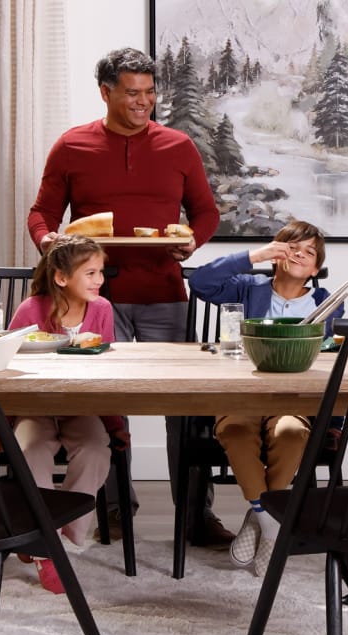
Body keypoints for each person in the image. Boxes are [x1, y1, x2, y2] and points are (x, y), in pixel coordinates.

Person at [25, 47, 231, 548]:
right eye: (132, 93)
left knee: (186, 405)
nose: (144, 102)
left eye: (150, 92)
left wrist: (192, 241)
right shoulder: (71, 146)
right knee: (102, 402)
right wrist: (48, 243)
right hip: (97, 298)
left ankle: (195, 516)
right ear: (106, 93)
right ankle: (115, 510)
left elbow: (206, 213)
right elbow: (41, 214)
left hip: (164, 291)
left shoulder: (178, 146)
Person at [185, 221, 345, 575]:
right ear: (277, 253)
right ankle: (272, 523)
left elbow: (332, 359)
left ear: (315, 268)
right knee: (236, 430)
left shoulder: (326, 304)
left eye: (308, 252)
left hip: (293, 401)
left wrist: (334, 421)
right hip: (243, 396)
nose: (298, 254)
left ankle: (258, 515)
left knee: (291, 433)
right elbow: (200, 284)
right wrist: (254, 256)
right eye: (291, 247)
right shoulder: (247, 288)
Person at [5, 236, 128, 594]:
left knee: (95, 449)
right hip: (34, 407)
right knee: (31, 449)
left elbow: (106, 370)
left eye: (100, 272)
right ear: (61, 277)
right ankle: (48, 548)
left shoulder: (102, 308)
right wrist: (0, 423)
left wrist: (114, 424)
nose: (98, 280)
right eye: (89, 273)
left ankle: (58, 534)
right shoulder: (31, 309)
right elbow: (6, 368)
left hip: (81, 406)